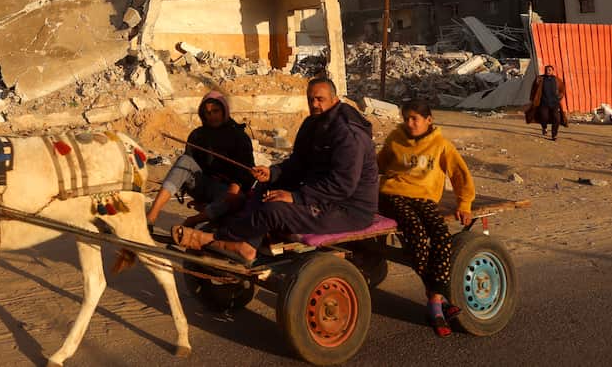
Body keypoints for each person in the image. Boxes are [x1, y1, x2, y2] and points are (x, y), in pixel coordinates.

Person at [172, 77, 378, 265]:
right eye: (310, 99)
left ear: (334, 100)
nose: (314, 104)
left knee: (274, 209)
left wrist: (295, 197)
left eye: (320, 99)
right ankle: (247, 244)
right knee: (265, 188)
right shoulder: (312, 123)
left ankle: (217, 238)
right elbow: (298, 163)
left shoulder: (349, 135)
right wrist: (272, 173)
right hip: (322, 195)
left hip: (348, 208)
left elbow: (342, 185)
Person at [378, 99, 475, 337]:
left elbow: (460, 173)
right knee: (416, 235)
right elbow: (378, 165)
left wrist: (464, 203)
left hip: (425, 199)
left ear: (428, 120)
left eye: (415, 119)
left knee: (441, 237)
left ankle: (435, 298)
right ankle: (435, 303)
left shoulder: (441, 145)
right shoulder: (395, 138)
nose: (410, 124)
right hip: (393, 195)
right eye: (406, 119)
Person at [146, 91, 254, 227]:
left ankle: (193, 221)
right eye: (208, 113)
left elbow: (246, 173)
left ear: (224, 111)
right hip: (203, 185)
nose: (212, 116)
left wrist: (234, 189)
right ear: (203, 115)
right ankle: (152, 215)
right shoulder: (198, 135)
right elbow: (188, 168)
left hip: (228, 190)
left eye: (216, 111)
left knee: (235, 200)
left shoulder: (239, 137)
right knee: (185, 161)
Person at [527, 64, 568, 140]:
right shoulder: (540, 78)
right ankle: (544, 127)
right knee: (544, 117)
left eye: (549, 70)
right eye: (546, 70)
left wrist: (559, 96)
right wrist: (532, 99)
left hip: (554, 103)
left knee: (557, 119)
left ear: (552, 71)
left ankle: (554, 135)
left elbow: (562, 89)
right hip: (543, 103)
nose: (548, 71)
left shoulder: (557, 80)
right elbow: (533, 89)